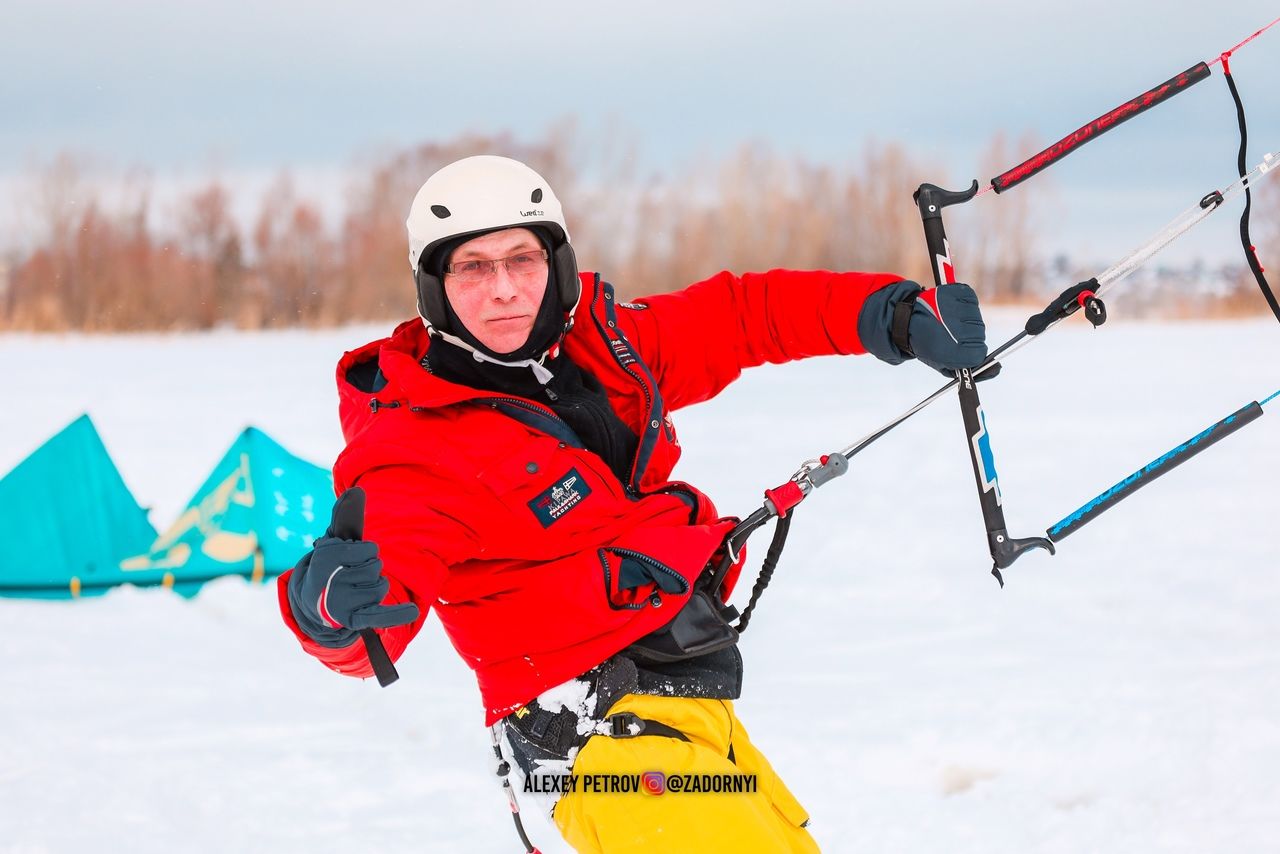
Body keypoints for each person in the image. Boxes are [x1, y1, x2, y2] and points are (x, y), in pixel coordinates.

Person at [277, 155, 988, 852]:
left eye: (521, 259)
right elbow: (371, 614)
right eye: (471, 267)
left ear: (555, 265)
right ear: (433, 287)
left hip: (686, 714)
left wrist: (888, 314)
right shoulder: (412, 447)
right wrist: (327, 608)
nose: (503, 290)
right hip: (603, 756)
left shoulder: (601, 349)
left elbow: (742, 317)